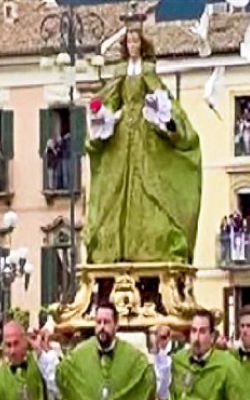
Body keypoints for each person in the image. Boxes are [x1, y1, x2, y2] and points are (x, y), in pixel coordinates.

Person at [85, 9, 201, 264]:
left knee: (147, 183)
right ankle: (116, 246)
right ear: (126, 46)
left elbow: (162, 97)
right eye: (129, 42)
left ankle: (149, 244)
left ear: (142, 44)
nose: (133, 45)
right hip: (123, 132)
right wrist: (103, 118)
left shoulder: (148, 70)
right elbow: (109, 99)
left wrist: (168, 121)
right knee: (116, 189)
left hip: (145, 132)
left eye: (136, 41)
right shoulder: (119, 73)